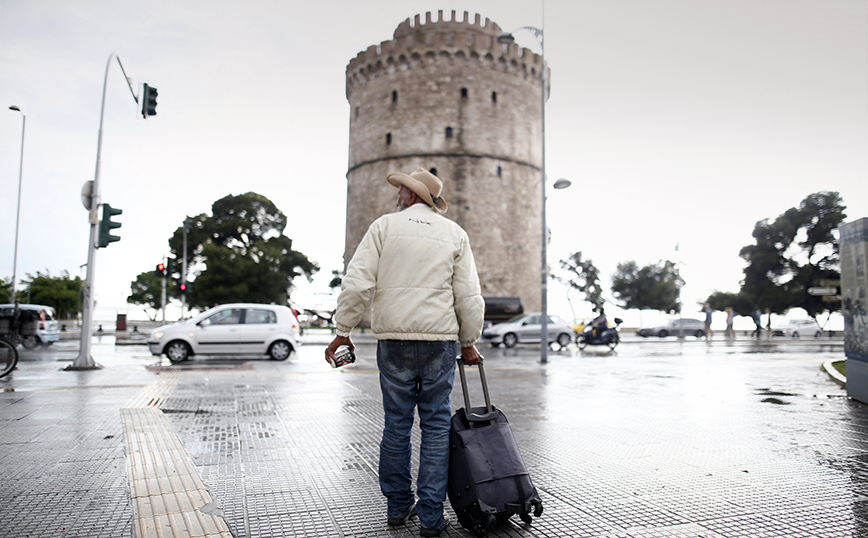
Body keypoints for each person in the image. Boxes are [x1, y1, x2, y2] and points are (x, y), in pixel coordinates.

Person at [325, 168, 484, 537]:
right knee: (435, 427)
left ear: (412, 197)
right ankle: (430, 516)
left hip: (393, 341)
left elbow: (358, 282)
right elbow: (469, 296)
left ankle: (398, 507)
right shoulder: (455, 233)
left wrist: (342, 332)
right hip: (439, 343)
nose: (398, 193)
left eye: (401, 190)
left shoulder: (383, 227)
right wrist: (469, 341)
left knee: (396, 425)